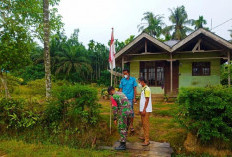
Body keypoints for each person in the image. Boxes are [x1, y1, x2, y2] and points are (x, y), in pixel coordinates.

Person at [108, 86, 133, 150]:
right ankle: (123, 141)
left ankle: (123, 145)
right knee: (126, 127)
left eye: (110, 93)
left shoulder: (113, 97)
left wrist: (115, 118)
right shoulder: (121, 93)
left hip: (123, 113)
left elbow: (115, 108)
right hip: (130, 112)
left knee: (121, 128)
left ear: (110, 92)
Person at [138, 77, 152, 146]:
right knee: (143, 124)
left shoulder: (147, 89)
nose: (139, 83)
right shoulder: (143, 89)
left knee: (146, 124)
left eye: (139, 82)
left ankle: (147, 140)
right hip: (143, 109)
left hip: (146, 110)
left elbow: (147, 100)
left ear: (142, 81)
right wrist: (140, 109)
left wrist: (144, 110)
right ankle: (145, 137)